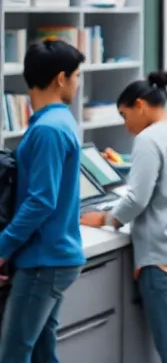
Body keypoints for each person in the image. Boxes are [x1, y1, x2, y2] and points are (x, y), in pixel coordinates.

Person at [81, 72, 167, 363]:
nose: (126, 127)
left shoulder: (149, 139)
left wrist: (106, 219)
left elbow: (137, 199)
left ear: (140, 104)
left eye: (124, 116)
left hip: (162, 257)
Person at [0, 40, 86, 363]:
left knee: (12, 354)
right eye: (76, 76)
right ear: (60, 78)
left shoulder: (49, 128)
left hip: (44, 261)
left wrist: (2, 247)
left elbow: (41, 201)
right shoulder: (53, 124)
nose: (77, 84)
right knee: (40, 352)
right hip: (49, 257)